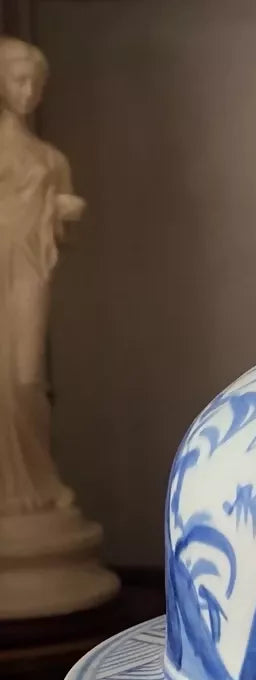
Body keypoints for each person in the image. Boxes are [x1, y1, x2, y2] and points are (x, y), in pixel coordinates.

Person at [0, 35, 84, 515]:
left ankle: (39, 479)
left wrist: (58, 210)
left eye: (36, 83)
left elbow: (65, 237)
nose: (29, 91)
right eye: (19, 80)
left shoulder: (52, 160)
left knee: (27, 376)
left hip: (31, 266)